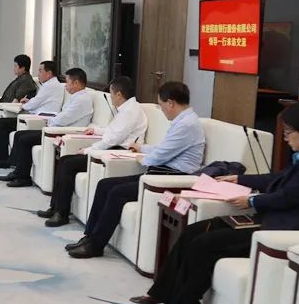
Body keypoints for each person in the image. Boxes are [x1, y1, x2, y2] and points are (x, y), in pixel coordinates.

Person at [130, 102, 299, 304]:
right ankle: (161, 292)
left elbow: (290, 196)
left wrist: (251, 200)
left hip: (278, 229)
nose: (285, 138)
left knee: (204, 244)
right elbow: (277, 179)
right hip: (267, 219)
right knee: (193, 231)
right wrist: (240, 179)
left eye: (287, 133)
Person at [66, 81, 205, 259]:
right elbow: (165, 148)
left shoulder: (187, 124)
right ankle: (89, 237)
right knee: (104, 185)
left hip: (172, 177)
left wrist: (144, 158)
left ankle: (95, 245)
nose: (162, 110)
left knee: (117, 192)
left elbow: (162, 154)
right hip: (161, 172)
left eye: (161, 105)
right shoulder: (183, 121)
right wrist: (142, 148)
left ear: (171, 103)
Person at [38, 76, 147, 226]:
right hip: (113, 147)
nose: (110, 97)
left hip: (120, 151)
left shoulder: (130, 111)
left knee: (69, 164)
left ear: (119, 94)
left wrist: (88, 150)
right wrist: (96, 130)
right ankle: (56, 207)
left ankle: (61, 213)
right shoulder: (127, 109)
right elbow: (112, 131)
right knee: (64, 160)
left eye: (111, 94)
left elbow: (112, 139)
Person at [0, 67, 93, 187]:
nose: (65, 85)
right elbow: (63, 116)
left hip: (65, 133)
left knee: (24, 139)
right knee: (19, 134)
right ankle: (17, 171)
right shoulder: (76, 97)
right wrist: (52, 122)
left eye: (67, 82)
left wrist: (50, 123)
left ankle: (23, 177)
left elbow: (64, 119)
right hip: (56, 128)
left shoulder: (82, 100)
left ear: (76, 83)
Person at [0, 61, 63, 168]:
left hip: (41, 118)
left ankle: (1, 158)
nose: (38, 74)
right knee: (1, 123)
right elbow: (37, 101)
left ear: (49, 73)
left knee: (2, 124)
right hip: (36, 115)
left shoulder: (50, 86)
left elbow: (33, 104)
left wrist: (24, 104)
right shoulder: (49, 85)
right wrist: (28, 103)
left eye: (40, 71)